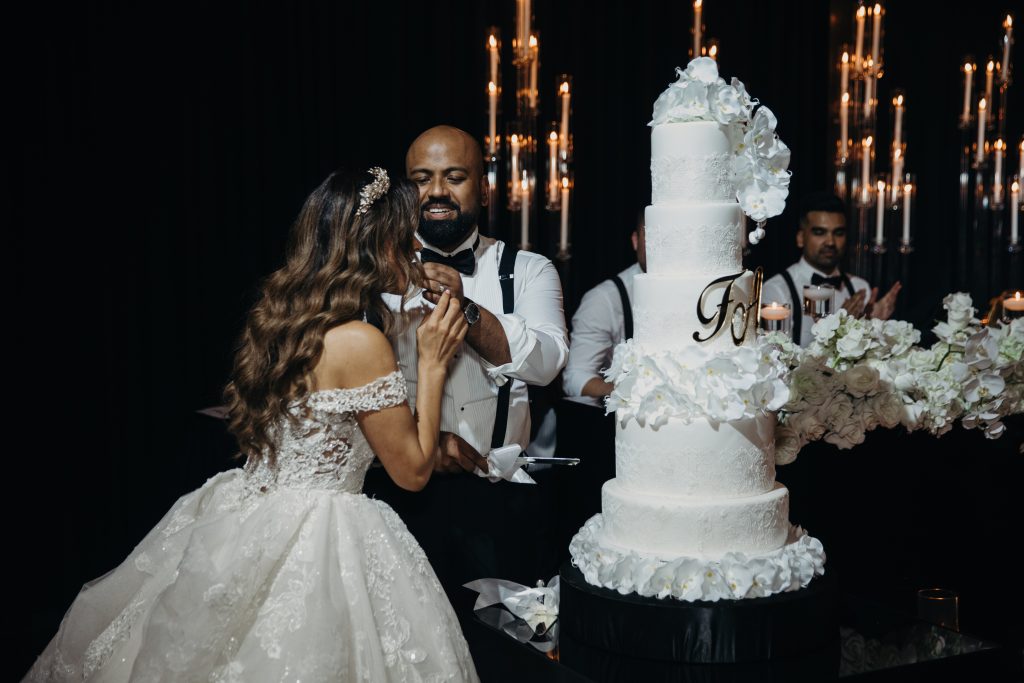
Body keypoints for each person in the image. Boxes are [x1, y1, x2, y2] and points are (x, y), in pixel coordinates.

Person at [24, 167, 479, 682]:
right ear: (376, 245)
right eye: (405, 237)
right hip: (324, 537)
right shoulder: (359, 341)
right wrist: (433, 364)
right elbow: (412, 473)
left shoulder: (283, 325)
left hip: (248, 513)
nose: (415, 249)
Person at [366, 125, 569, 597]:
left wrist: (468, 309)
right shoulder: (371, 275)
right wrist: (418, 444)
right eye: (422, 179)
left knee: (504, 635)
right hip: (396, 498)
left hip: (498, 501)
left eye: (454, 177)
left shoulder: (529, 270)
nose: (437, 191)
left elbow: (547, 364)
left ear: (483, 187)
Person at [761, 191, 902, 345]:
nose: (830, 242)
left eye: (838, 233)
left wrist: (874, 327)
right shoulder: (777, 290)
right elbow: (775, 355)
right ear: (801, 238)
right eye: (819, 232)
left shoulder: (858, 287)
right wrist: (840, 327)